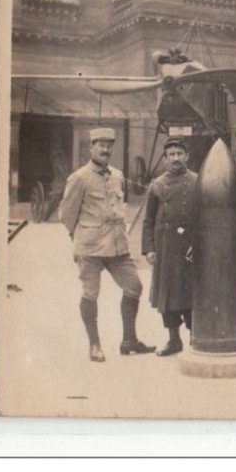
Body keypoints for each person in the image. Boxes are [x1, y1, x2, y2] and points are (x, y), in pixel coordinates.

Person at [59, 127, 155, 362]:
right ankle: (94, 345)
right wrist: (79, 237)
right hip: (90, 247)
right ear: (91, 148)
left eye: (109, 145)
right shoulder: (80, 177)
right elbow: (66, 214)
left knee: (134, 286)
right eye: (100, 144)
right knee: (91, 293)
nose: (105, 149)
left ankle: (129, 340)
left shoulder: (118, 175)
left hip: (117, 245)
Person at [141, 137, 197, 356]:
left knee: (189, 292)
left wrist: (198, 245)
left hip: (188, 248)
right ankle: (174, 340)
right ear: (165, 158)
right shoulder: (156, 184)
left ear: (187, 156)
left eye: (179, 154)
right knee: (166, 294)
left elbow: (204, 218)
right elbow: (149, 220)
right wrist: (149, 248)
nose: (175, 158)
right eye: (171, 154)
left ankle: (196, 338)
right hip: (164, 247)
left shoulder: (197, 181)